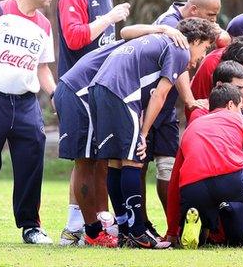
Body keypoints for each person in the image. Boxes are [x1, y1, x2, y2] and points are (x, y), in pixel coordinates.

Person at [88, 18, 217, 249]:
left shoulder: (161, 39)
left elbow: (127, 33)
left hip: (99, 88)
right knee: (133, 160)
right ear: (195, 40)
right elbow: (160, 94)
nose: (201, 56)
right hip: (120, 92)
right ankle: (137, 232)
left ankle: (126, 230)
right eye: (205, 47)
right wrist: (144, 134)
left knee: (116, 162)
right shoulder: (180, 49)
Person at [55, 25, 187, 248]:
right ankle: (94, 232)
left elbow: (126, 32)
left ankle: (120, 229)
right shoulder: (165, 45)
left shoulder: (147, 48)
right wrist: (165, 28)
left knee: (111, 160)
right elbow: (126, 31)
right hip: (79, 90)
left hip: (94, 91)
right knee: (87, 162)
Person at [120, 0, 223, 239]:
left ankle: (173, 227)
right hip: (147, 104)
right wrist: (189, 100)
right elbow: (181, 63)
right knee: (138, 164)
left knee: (168, 165)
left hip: (164, 110)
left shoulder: (190, 24)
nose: (214, 22)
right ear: (194, 10)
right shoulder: (170, 24)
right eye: (210, 16)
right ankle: (139, 226)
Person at [56, 0, 139, 246]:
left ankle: (92, 229)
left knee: (101, 160)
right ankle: (79, 228)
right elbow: (75, 38)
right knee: (84, 160)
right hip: (77, 90)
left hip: (101, 90)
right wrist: (109, 18)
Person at [165, 61, 243, 247]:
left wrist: (172, 231)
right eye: (238, 87)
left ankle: (199, 226)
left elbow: (179, 170)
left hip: (192, 187)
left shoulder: (195, 124)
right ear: (223, 89)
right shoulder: (234, 117)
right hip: (232, 183)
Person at [0, 0, 57, 244]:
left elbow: (43, 68)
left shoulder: (44, 25)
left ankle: (30, 226)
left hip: (25, 103)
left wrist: (56, 95)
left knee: (32, 157)